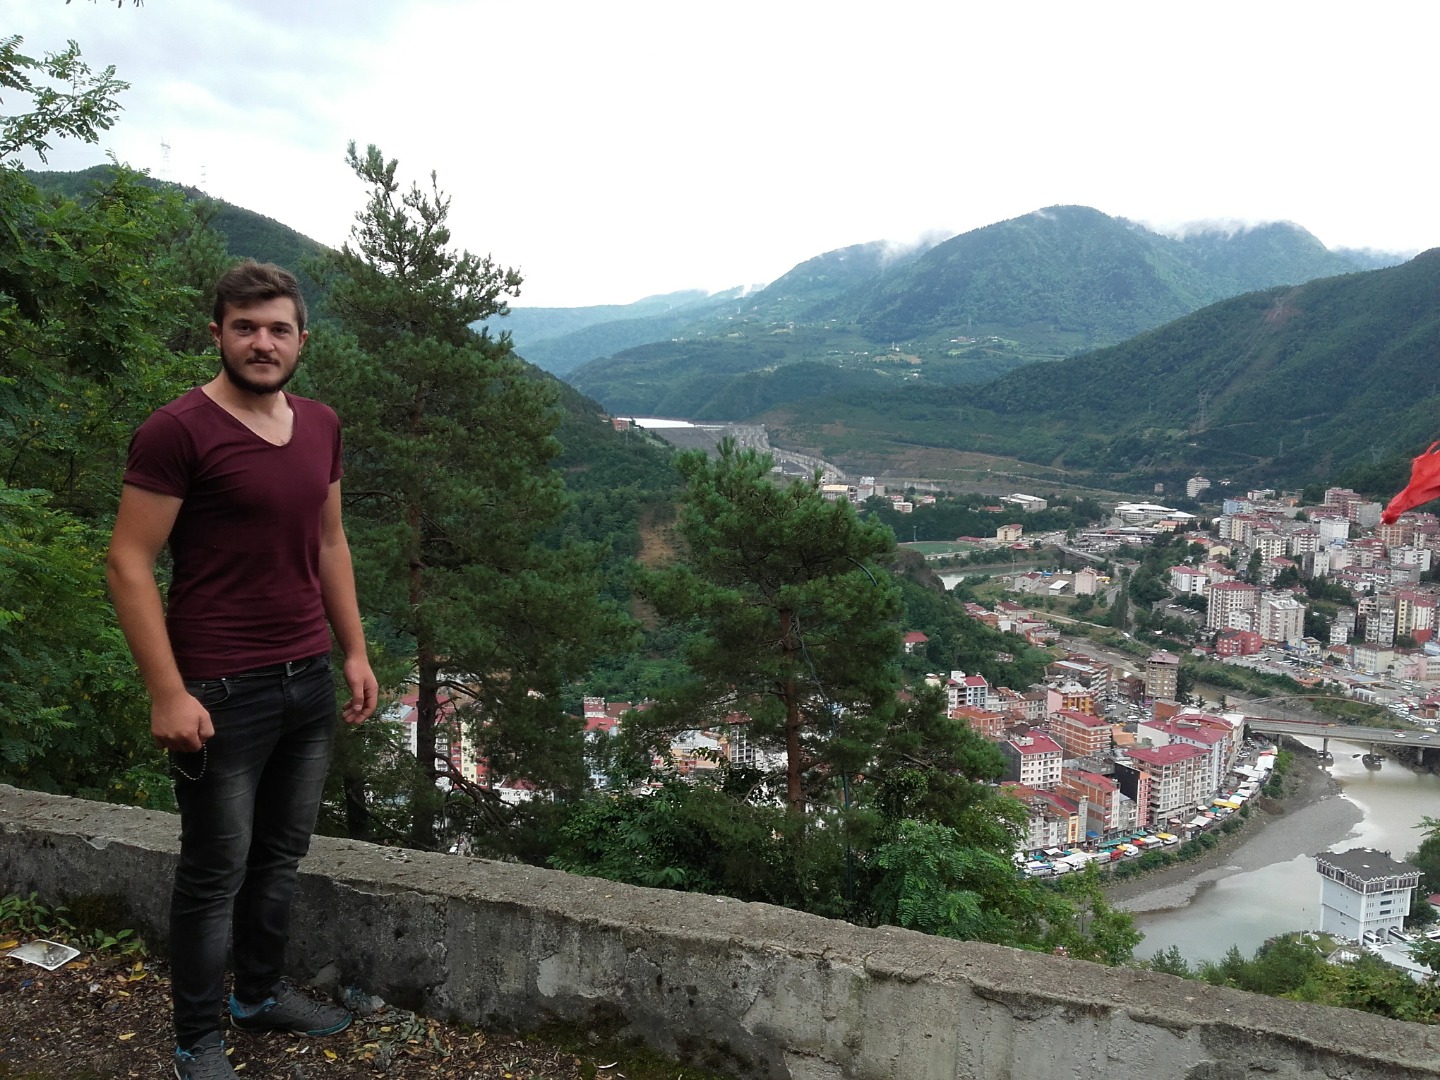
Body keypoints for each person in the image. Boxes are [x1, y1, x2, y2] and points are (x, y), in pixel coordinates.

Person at [107, 260, 378, 1080]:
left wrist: (354, 649)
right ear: (217, 333)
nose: (263, 343)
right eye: (246, 327)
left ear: (303, 339)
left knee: (280, 856)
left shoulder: (321, 424)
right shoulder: (178, 430)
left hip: (306, 676)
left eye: (278, 328)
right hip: (219, 688)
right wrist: (167, 691)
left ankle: (257, 995)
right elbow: (128, 562)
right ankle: (197, 1042)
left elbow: (329, 542)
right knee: (213, 872)